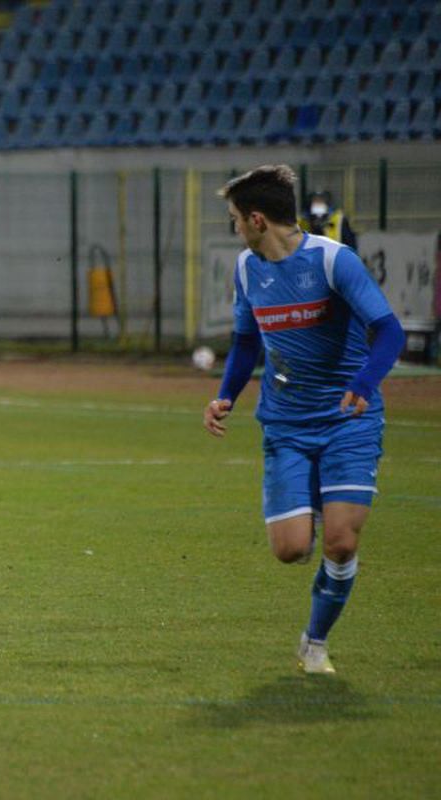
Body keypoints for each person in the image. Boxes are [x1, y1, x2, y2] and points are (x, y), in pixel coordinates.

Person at [204, 165, 404, 674]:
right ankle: (315, 498)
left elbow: (389, 332)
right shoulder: (248, 270)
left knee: (340, 541)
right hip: (286, 425)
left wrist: (362, 384)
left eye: (233, 220)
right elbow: (247, 341)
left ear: (256, 219)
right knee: (291, 549)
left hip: (347, 419)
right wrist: (226, 394)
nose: (233, 230)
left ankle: (314, 641)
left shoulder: (334, 262)